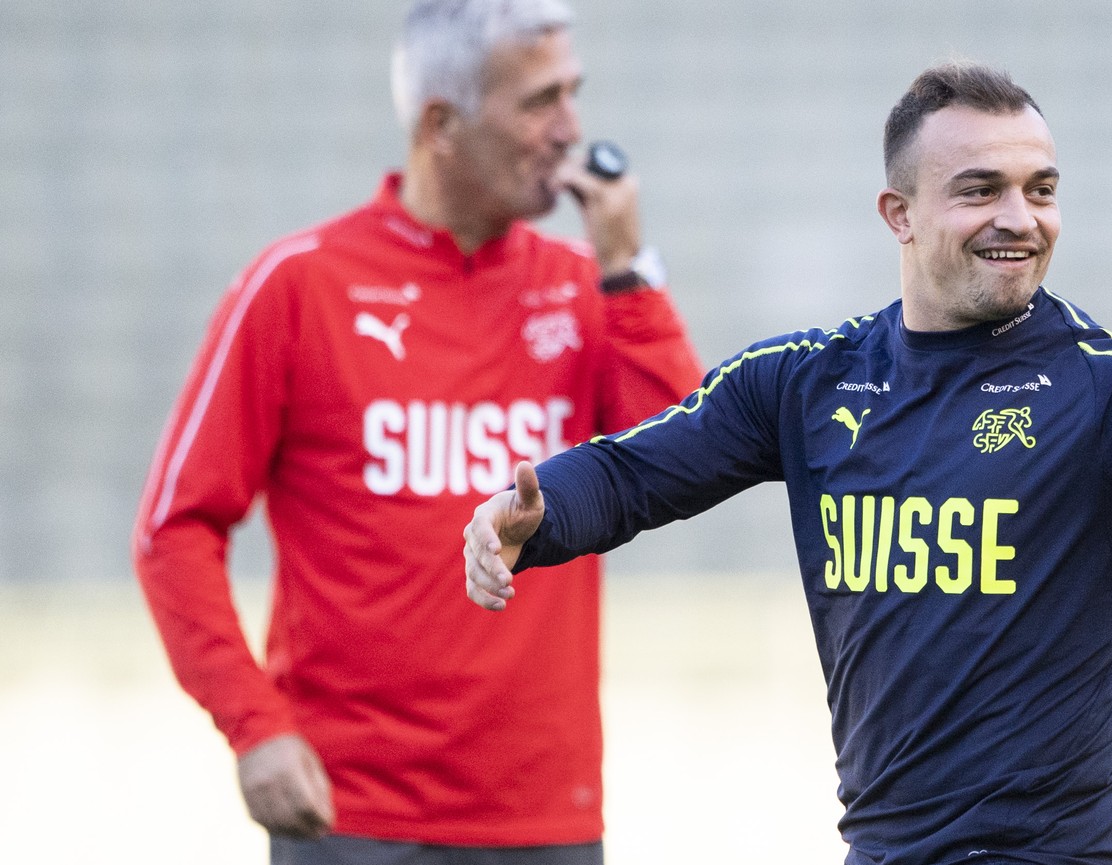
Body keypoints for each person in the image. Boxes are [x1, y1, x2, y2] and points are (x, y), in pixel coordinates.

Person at [463, 61, 1112, 865]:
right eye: (981, 189)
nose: (1020, 217)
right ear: (898, 214)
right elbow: (631, 473)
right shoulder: (801, 382)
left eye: (1041, 188)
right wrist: (530, 515)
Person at [133, 0, 703, 862]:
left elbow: (683, 464)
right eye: (540, 100)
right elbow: (173, 528)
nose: (570, 130)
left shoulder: (589, 290)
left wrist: (629, 274)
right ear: (441, 123)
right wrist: (253, 726)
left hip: (543, 815)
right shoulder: (298, 286)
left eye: (573, 95)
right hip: (350, 814)